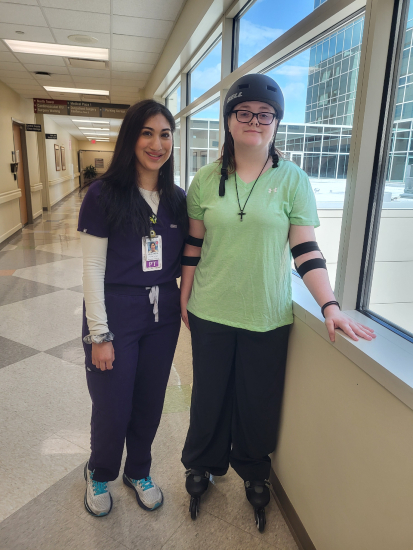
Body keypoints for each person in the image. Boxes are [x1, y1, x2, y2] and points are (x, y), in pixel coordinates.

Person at [179, 74, 375, 531]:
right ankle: (201, 464)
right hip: (210, 308)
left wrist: (330, 305)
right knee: (208, 393)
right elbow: (193, 245)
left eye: (264, 116)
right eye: (243, 113)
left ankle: (252, 469)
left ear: (275, 124)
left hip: (267, 314)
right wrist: (183, 296)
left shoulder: (294, 180)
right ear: (229, 121)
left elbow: (305, 251)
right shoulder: (205, 180)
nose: (254, 121)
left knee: (258, 399)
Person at [77, 100, 187, 517]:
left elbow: (192, 257)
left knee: (149, 400)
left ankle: (138, 470)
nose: (157, 143)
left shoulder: (177, 199)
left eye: (164, 134)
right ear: (130, 138)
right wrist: (99, 335)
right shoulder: (103, 194)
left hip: (162, 318)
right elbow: (91, 269)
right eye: (147, 132)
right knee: (113, 403)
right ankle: (99, 472)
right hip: (116, 311)